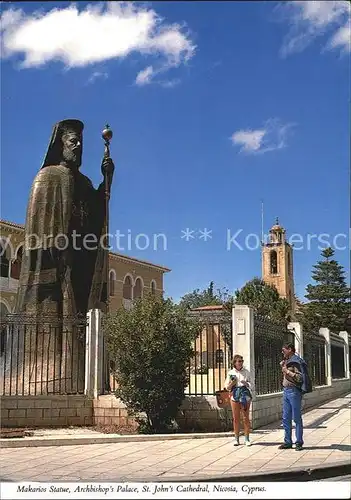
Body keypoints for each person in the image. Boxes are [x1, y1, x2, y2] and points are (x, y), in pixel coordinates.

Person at [279, 342, 306, 451]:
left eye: (284, 350)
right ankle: (288, 442)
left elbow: (300, 378)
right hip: (286, 391)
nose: (282, 352)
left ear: (290, 349)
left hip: (294, 391)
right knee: (286, 418)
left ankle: (299, 442)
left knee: (296, 418)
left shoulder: (296, 361)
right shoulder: (287, 361)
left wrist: (287, 372)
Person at [224, 354, 253, 447]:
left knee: (245, 417)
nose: (240, 363)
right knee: (236, 418)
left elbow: (252, 384)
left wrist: (246, 383)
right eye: (239, 361)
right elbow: (227, 387)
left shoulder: (246, 372)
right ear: (234, 363)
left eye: (241, 361)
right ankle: (236, 439)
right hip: (235, 395)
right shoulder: (231, 373)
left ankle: (247, 438)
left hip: (245, 395)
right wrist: (232, 383)